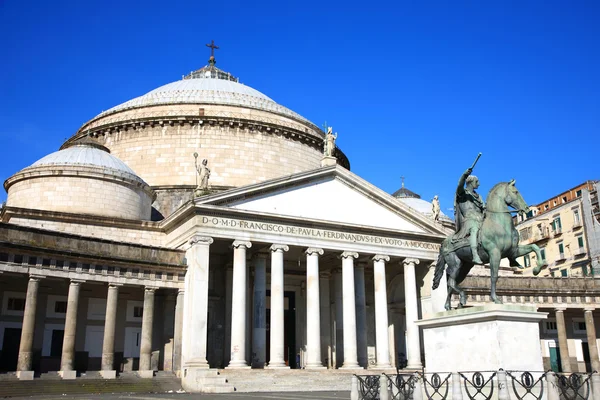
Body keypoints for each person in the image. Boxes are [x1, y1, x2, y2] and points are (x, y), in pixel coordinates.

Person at [454, 167, 485, 264]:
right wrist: (464, 175)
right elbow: (459, 185)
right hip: (469, 219)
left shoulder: (478, 196)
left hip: (480, 218)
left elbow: (483, 207)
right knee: (474, 228)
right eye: (477, 181)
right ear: (471, 182)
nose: (479, 184)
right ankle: (475, 255)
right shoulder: (462, 193)